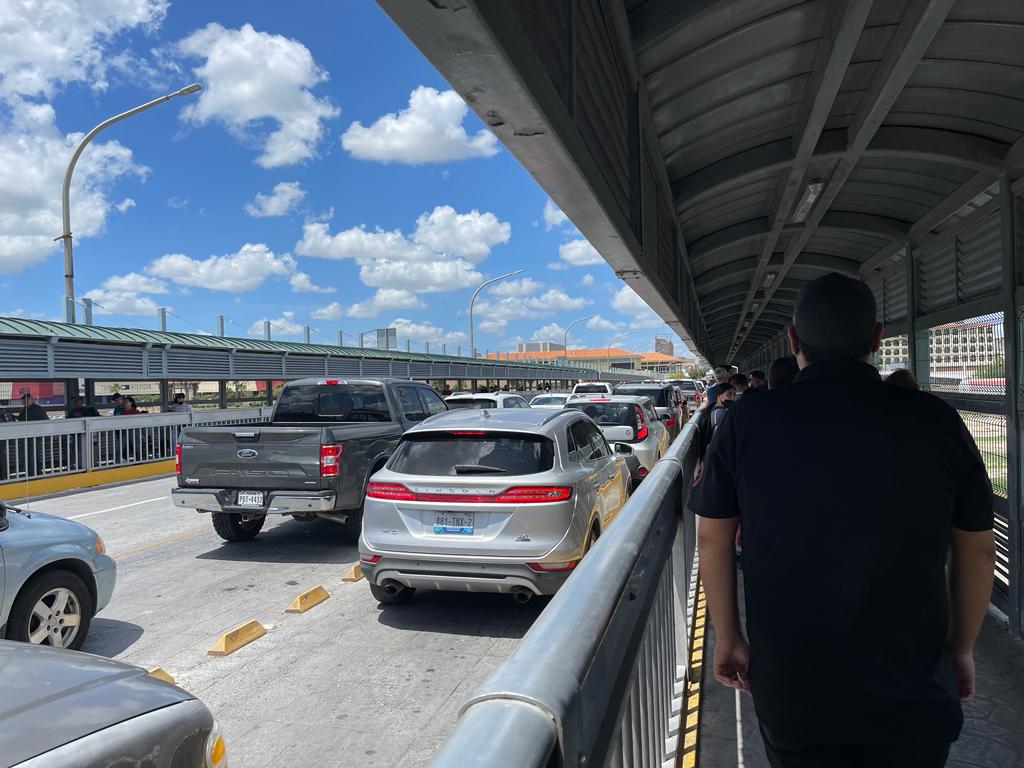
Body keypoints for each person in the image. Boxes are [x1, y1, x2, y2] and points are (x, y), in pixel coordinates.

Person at [692, 272, 995, 768]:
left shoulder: (748, 422)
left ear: (792, 341)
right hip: (913, 692)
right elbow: (977, 548)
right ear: (876, 339)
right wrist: (960, 646)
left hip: (795, 694)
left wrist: (729, 635)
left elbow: (712, 536)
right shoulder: (935, 420)